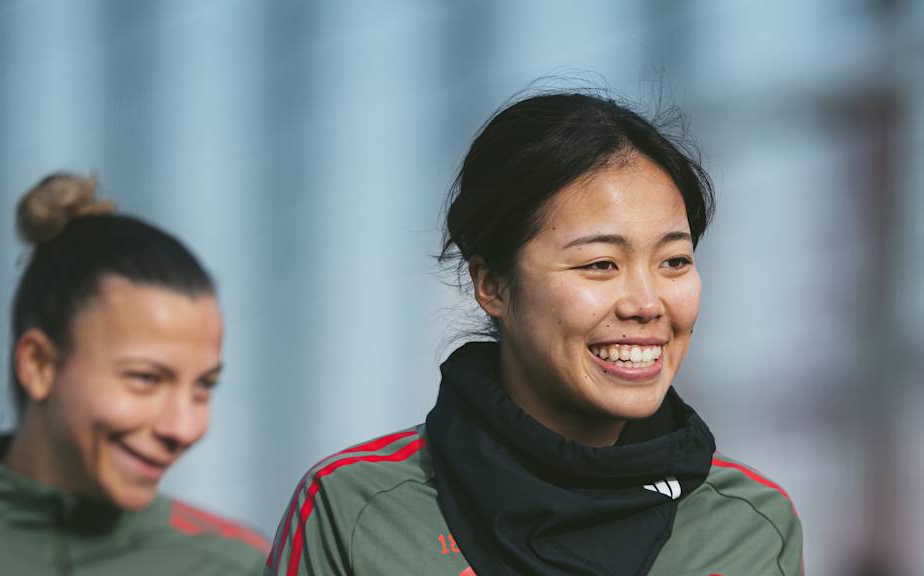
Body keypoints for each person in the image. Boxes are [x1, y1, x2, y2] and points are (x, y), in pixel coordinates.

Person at [266, 92, 803, 576]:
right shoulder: (358, 510)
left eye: (674, 261)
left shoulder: (752, 527)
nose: (646, 304)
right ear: (492, 285)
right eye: (599, 264)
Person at [0, 173, 268, 575]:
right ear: (39, 365)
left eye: (204, 386)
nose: (182, 428)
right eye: (145, 378)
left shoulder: (237, 566)